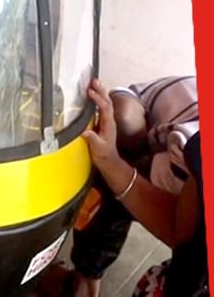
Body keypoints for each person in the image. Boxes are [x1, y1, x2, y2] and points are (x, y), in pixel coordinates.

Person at [39, 76, 200, 297]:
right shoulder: (183, 164)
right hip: (146, 112)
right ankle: (85, 277)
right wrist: (110, 160)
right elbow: (169, 221)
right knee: (121, 128)